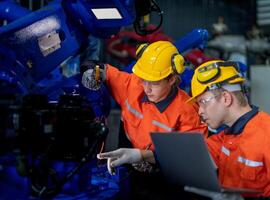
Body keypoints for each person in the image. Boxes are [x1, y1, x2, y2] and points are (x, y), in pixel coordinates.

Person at [81, 41, 207, 199]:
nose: (146, 88)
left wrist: (148, 157)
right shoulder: (133, 85)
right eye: (144, 79)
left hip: (164, 180)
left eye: (155, 83)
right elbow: (99, 68)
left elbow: (190, 160)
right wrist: (91, 71)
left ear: (172, 79)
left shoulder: (188, 112)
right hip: (128, 163)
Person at [187, 60, 270, 199]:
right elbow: (196, 155)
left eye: (203, 102)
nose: (200, 111)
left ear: (226, 98)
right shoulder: (228, 136)